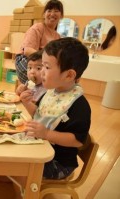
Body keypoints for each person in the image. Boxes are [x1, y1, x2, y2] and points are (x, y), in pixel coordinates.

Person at [20, 37, 91, 180]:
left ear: (69, 75)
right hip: (40, 148)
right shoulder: (51, 92)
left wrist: (46, 134)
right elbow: (39, 115)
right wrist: (26, 103)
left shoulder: (78, 105)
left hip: (58, 163)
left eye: (46, 67)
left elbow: (77, 140)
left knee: (18, 162)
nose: (41, 73)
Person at [15, 0, 63, 85]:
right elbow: (27, 51)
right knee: (37, 82)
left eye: (56, 11)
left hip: (43, 64)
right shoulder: (37, 28)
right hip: (27, 59)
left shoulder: (58, 37)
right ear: (44, 14)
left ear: (61, 15)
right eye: (49, 11)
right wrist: (48, 59)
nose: (52, 14)